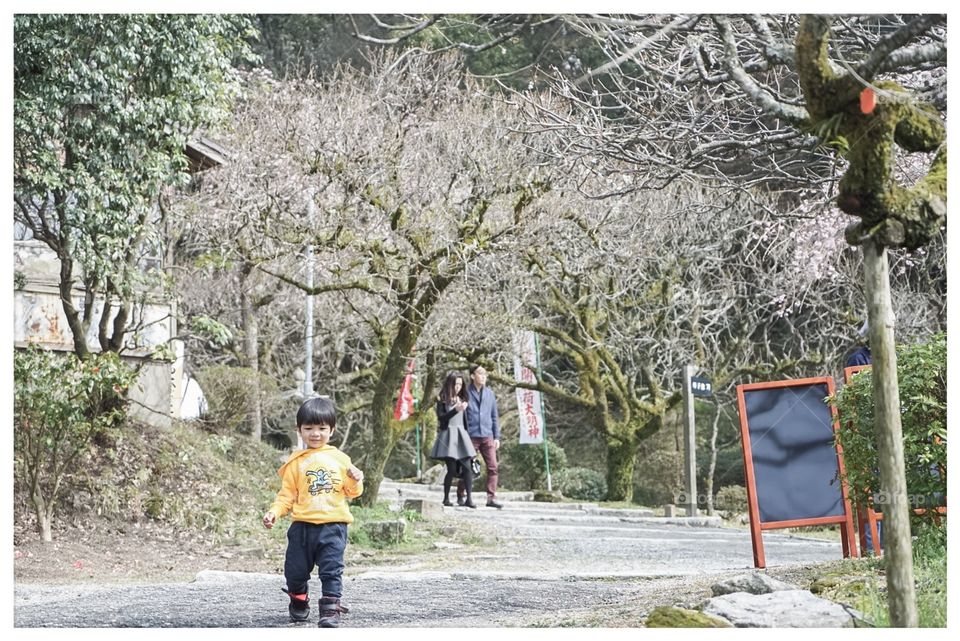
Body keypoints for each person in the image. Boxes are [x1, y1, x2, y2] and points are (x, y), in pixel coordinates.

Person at [262, 397, 364, 627]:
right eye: (308, 428)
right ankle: (298, 600)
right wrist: (274, 513)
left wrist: (355, 480)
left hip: (334, 526)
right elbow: (286, 496)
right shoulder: (296, 462)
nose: (315, 433)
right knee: (295, 572)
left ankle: (330, 610)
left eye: (322, 428)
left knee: (332, 571)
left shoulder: (340, 459)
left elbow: (352, 492)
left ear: (332, 430)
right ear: (299, 430)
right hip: (302, 528)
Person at [846, 321, 881, 554]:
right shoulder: (859, 359)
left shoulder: (897, 356)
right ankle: (872, 546)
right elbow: (855, 395)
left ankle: (888, 543)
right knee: (873, 490)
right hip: (868, 431)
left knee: (891, 492)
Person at [458, 364, 503, 509]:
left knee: (493, 467)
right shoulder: (465, 393)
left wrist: (496, 436)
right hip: (470, 435)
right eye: (480, 373)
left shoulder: (490, 393)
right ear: (472, 376)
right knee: (468, 466)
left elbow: (494, 416)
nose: (483, 376)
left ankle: (491, 497)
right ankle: (461, 493)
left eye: (485, 374)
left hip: (487, 434)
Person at [429, 371, 477, 508]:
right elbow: (441, 418)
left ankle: (469, 498)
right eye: (456, 384)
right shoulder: (442, 399)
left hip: (462, 434)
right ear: (450, 384)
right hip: (448, 435)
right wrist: (455, 410)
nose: (458, 387)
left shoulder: (463, 399)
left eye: (460, 384)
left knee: (467, 467)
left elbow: (465, 421)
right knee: (450, 469)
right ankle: (446, 498)